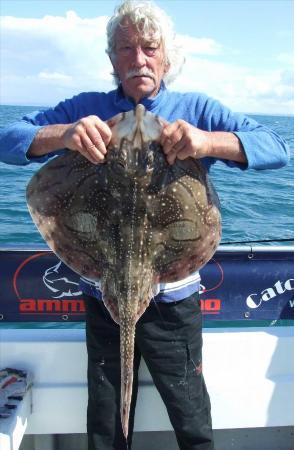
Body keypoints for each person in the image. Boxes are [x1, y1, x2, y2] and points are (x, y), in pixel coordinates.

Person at [0, 1, 289, 449]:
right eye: (125, 49)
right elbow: (8, 137)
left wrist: (206, 141)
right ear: (112, 59)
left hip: (174, 303)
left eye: (149, 48)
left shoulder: (195, 108)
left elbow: (276, 148)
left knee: (190, 414)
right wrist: (65, 134)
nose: (138, 58)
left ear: (167, 56)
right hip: (103, 290)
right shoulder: (88, 107)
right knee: (106, 420)